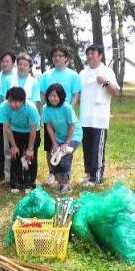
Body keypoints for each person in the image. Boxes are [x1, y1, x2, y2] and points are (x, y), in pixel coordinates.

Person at [39, 45, 81, 186]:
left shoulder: (73, 75)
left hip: (67, 118)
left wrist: (68, 110)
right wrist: (46, 111)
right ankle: (53, 174)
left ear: (66, 58)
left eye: (60, 55)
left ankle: (65, 178)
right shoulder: (46, 75)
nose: (57, 58)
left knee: (65, 152)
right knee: (51, 148)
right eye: (55, 55)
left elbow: (76, 94)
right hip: (51, 116)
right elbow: (43, 94)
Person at [79, 44, 119, 186]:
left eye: (93, 53)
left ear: (100, 55)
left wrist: (106, 82)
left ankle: (97, 178)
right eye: (88, 53)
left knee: (97, 148)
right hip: (85, 118)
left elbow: (116, 92)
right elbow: (78, 94)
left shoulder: (107, 71)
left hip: (99, 119)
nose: (90, 56)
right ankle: (89, 174)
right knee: (87, 148)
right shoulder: (83, 73)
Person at [0, 87, 41, 194]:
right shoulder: (3, 107)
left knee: (30, 157)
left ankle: (29, 182)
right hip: (15, 131)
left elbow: (33, 130)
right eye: (11, 101)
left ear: (23, 101)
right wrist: (13, 146)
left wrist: (30, 148)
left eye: (17, 102)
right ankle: (15, 182)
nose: (13, 104)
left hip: (31, 132)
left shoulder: (31, 108)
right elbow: (7, 128)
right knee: (15, 156)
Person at [42, 83, 83, 193]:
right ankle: (59, 181)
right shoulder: (46, 108)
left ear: (60, 96)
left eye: (55, 96)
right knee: (53, 155)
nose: (52, 98)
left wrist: (67, 142)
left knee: (64, 155)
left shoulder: (66, 107)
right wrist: (54, 143)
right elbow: (49, 126)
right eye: (50, 96)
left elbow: (72, 125)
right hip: (59, 136)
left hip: (74, 135)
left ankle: (66, 184)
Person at [0, 51, 16, 183]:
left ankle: (13, 172)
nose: (4, 64)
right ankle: (2, 172)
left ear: (13, 63)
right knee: (0, 145)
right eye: (3, 61)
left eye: (7, 61)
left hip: (11, 119)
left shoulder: (15, 78)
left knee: (11, 145)